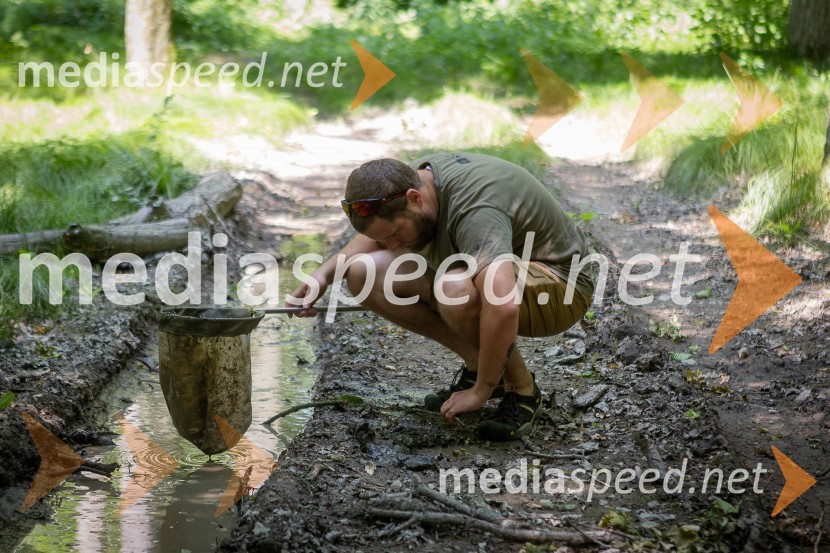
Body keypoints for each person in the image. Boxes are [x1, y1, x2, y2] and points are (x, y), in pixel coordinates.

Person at [287, 152, 594, 441]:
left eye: (395, 233)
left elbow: (503, 304)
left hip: (560, 287)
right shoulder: (419, 181)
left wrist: (479, 394)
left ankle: (522, 390)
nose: (391, 246)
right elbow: (380, 234)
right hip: (510, 275)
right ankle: (483, 365)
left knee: (454, 288)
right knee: (363, 273)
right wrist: (324, 275)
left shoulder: (475, 210)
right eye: (383, 238)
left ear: (414, 199)